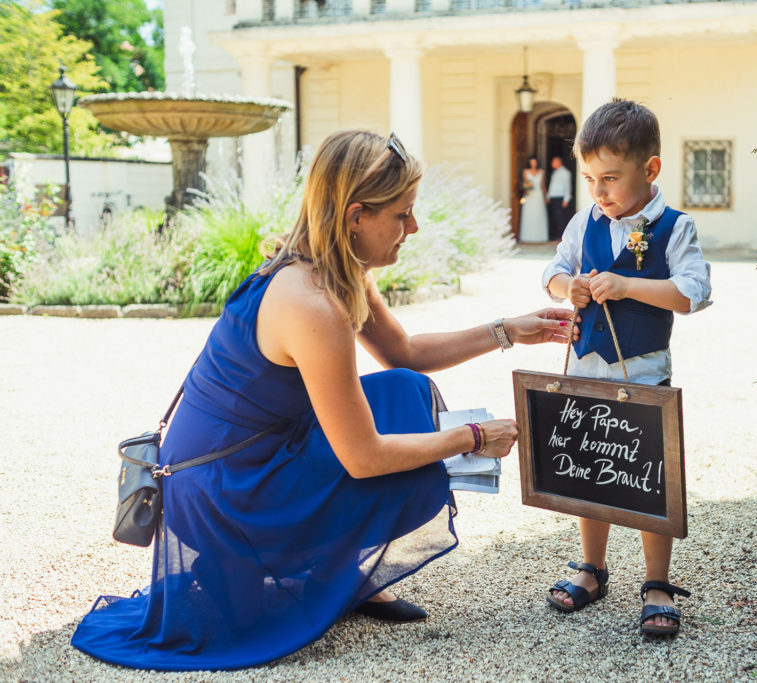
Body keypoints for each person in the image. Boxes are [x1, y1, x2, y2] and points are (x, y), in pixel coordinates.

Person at [72, 130, 573, 671]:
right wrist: (472, 439)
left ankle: (339, 577)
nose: (414, 228)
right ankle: (335, 577)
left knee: (404, 392)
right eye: (402, 215)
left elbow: (403, 351)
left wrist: (508, 330)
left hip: (238, 461)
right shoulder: (314, 304)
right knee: (413, 464)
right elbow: (364, 458)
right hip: (223, 494)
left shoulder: (330, 265)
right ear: (356, 215)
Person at [539, 99, 712, 636]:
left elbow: (693, 292)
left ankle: (657, 581)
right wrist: (566, 286)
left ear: (651, 169)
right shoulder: (583, 222)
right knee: (590, 472)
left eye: (610, 179)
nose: (599, 192)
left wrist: (630, 285)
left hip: (643, 375)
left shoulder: (674, 227)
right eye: (590, 178)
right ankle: (592, 568)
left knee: (648, 478)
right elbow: (552, 272)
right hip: (589, 368)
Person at [518, 156, 549, 242]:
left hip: (539, 195)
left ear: (537, 163)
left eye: (534, 162)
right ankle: (527, 237)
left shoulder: (541, 172)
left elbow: (543, 186)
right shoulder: (525, 171)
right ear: (529, 163)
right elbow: (525, 183)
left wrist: (546, 196)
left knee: (538, 214)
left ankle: (540, 237)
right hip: (529, 195)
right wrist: (526, 189)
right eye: (531, 162)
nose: (533, 163)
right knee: (529, 214)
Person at [545, 156, 573, 241]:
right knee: (555, 218)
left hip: (560, 198)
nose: (552, 164)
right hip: (553, 197)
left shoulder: (565, 173)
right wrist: (548, 196)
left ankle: (563, 237)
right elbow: (552, 186)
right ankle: (558, 235)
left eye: (554, 162)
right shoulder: (555, 172)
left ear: (559, 162)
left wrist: (566, 199)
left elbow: (567, 186)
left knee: (561, 218)